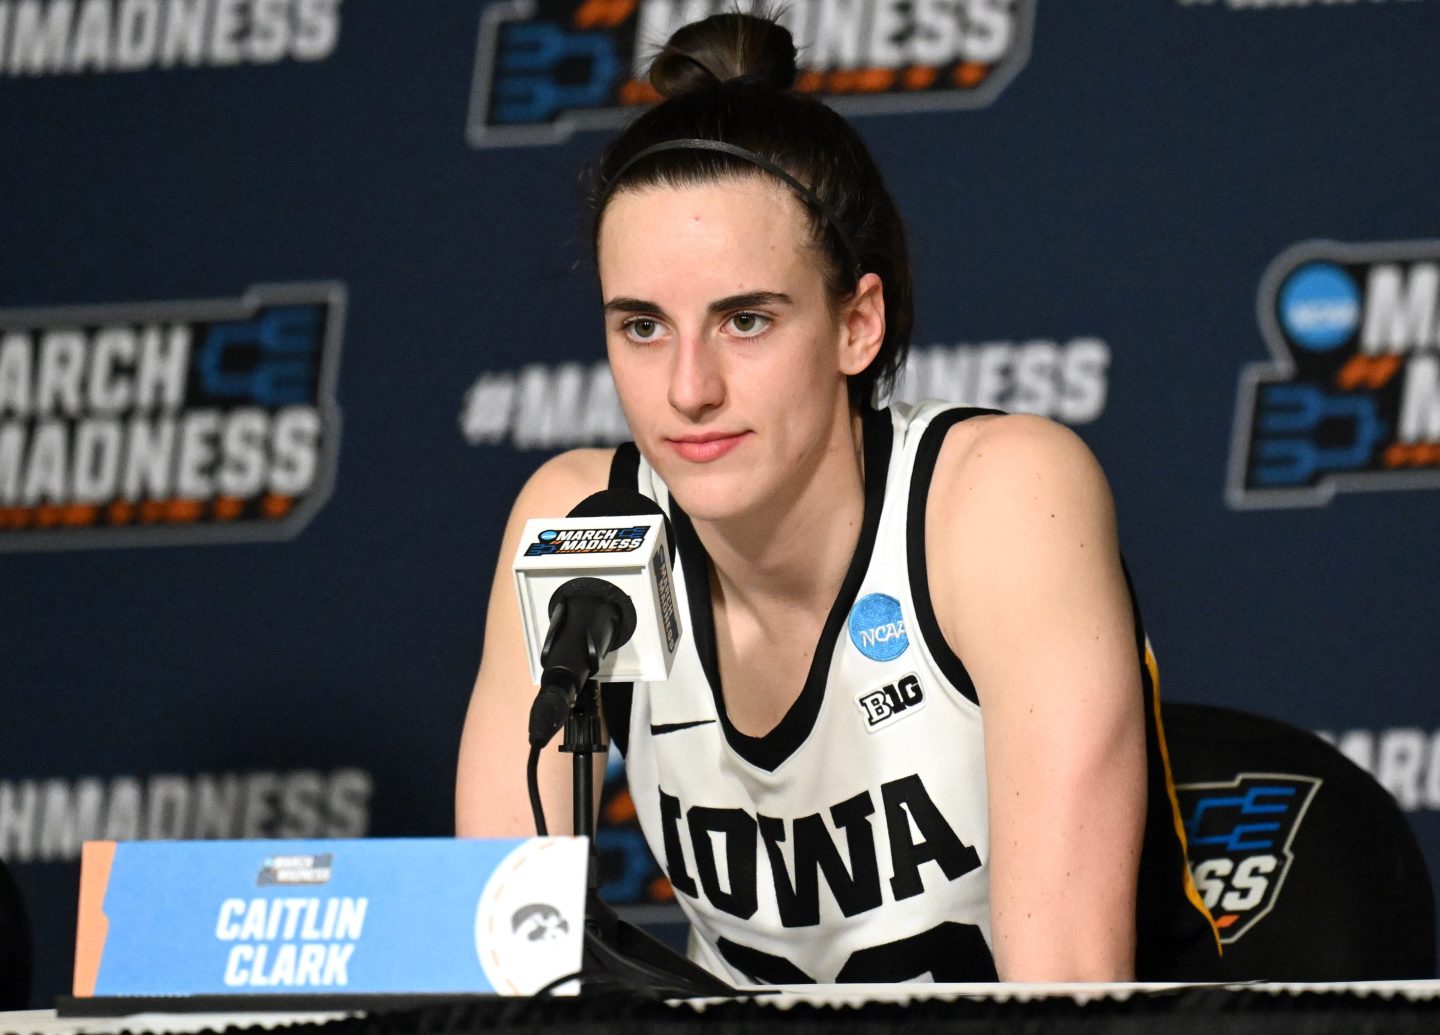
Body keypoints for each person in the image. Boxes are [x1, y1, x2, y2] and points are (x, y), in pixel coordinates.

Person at [456, 12, 1219, 984]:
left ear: (858, 325)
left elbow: (1064, 994)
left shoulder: (994, 502)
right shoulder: (585, 525)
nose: (689, 389)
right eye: (643, 327)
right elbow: (501, 968)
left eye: (745, 320)